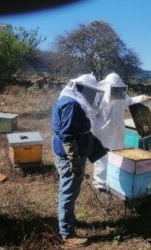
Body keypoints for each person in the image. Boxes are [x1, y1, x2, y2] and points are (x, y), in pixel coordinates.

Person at [51, 73, 106, 247]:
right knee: (68, 191)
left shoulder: (71, 100)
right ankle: (67, 234)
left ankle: (68, 219)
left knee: (69, 190)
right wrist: (74, 161)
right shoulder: (72, 105)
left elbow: (79, 131)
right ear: (81, 89)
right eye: (90, 92)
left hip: (73, 152)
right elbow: (67, 136)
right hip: (69, 155)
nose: (92, 96)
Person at [92, 72, 151, 192]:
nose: (117, 91)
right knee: (102, 159)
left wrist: (142, 97)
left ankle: (112, 181)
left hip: (117, 133)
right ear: (108, 87)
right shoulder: (99, 98)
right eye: (115, 89)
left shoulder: (121, 96)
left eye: (119, 89)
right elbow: (91, 114)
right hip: (102, 134)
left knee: (115, 157)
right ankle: (100, 185)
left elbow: (130, 101)